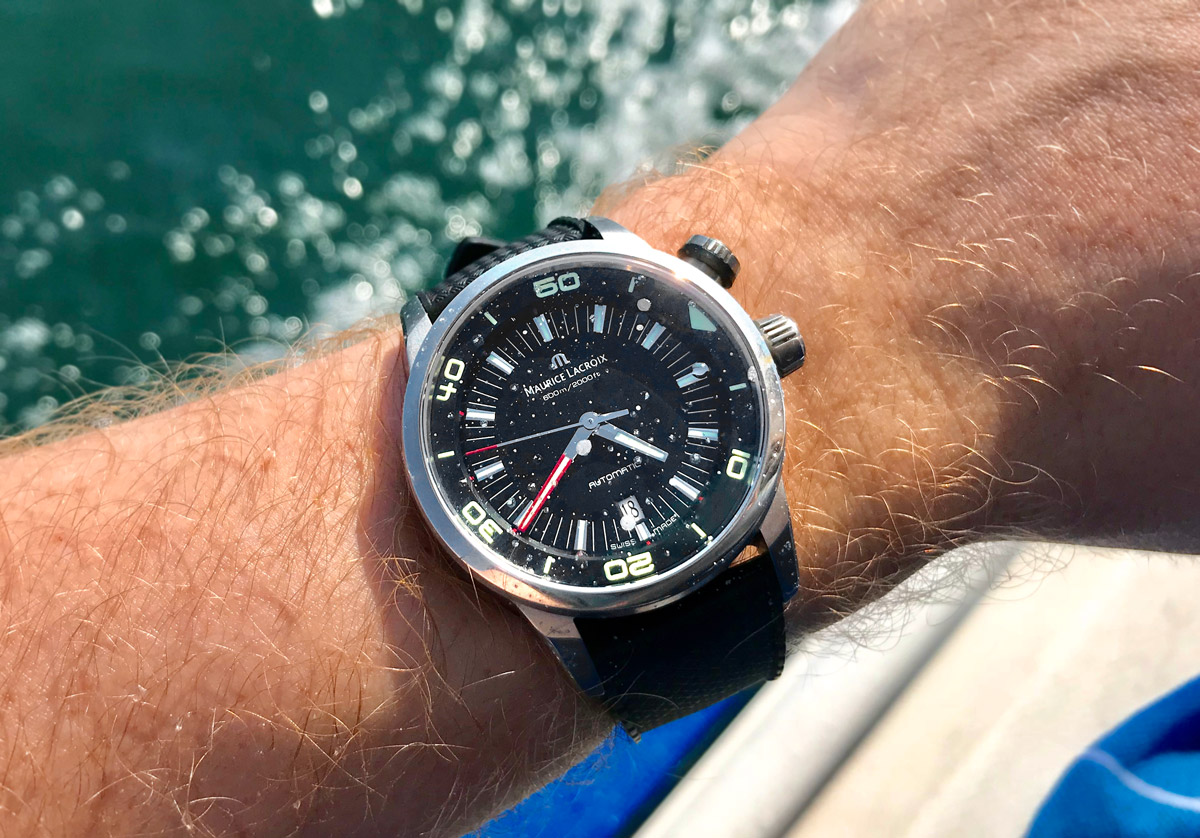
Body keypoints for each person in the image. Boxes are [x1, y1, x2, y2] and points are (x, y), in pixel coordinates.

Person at [3, 0, 1199, 834]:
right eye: (569, 436)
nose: (583, 438)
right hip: (581, 559)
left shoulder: (727, 388)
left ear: (762, 347)